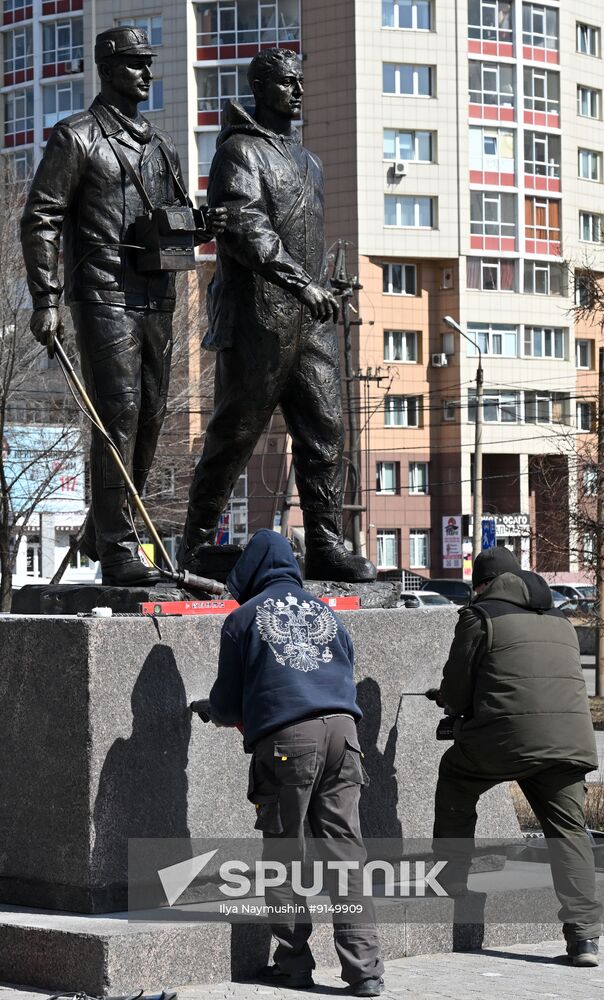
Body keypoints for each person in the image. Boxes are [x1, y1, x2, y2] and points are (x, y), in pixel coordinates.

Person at [20, 27, 226, 586]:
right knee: (120, 416)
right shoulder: (76, 137)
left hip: (158, 293)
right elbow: (41, 218)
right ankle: (116, 546)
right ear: (108, 69)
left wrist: (209, 223)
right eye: (134, 64)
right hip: (102, 293)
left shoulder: (161, 147)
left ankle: (107, 524)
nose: (146, 73)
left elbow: (176, 215)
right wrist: (46, 298)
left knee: (154, 416)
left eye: (148, 63)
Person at [178, 48, 375, 583]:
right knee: (236, 432)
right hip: (257, 318)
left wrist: (323, 282)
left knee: (326, 431)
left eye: (300, 82)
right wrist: (303, 282)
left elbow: (303, 237)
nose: (298, 90)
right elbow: (245, 229)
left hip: (309, 321)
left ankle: (327, 544)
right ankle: (195, 544)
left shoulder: (309, 162)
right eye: (287, 82)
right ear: (260, 87)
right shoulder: (239, 153)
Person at [207, 529, 384, 996]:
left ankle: (293, 964)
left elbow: (226, 704)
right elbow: (342, 672)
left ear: (251, 569)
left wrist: (214, 710)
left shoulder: (244, 618)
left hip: (289, 742)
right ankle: (365, 971)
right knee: (346, 854)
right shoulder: (325, 610)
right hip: (345, 736)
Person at [431, 546, 602, 966]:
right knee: (568, 833)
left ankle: (450, 883)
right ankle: (584, 939)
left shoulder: (480, 617)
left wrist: (449, 705)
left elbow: (456, 689)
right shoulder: (561, 621)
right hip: (569, 743)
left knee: (455, 775)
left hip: (504, 739)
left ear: (484, 585)